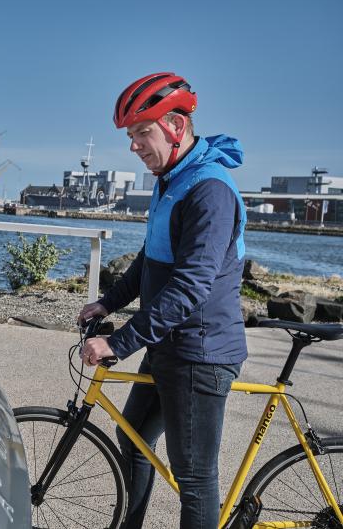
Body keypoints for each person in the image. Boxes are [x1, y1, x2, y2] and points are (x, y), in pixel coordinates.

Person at [78, 72, 248, 529]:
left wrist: (120, 343)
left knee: (193, 477)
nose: (133, 145)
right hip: (169, 343)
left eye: (141, 132)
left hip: (201, 352)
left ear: (175, 126)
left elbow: (191, 284)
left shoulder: (208, 189)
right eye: (130, 135)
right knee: (132, 439)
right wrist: (108, 304)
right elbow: (151, 258)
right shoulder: (172, 178)